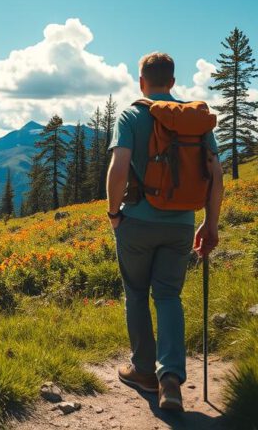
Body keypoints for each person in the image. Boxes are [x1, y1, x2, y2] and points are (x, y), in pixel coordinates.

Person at [105, 52, 224, 411]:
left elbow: (119, 166)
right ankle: (169, 378)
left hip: (137, 223)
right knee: (169, 297)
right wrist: (211, 222)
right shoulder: (196, 120)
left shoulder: (131, 114)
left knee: (137, 294)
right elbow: (216, 176)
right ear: (172, 82)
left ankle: (143, 370)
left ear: (141, 81)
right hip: (182, 225)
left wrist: (114, 214)